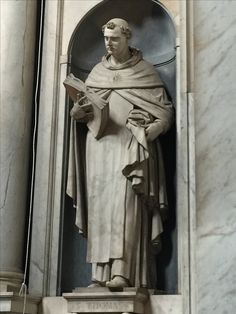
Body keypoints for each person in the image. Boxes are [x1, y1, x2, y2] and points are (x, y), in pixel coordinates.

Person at [66, 18, 174, 288]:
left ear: (128, 38)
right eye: (106, 39)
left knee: (126, 207)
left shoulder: (145, 72)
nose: (109, 44)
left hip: (130, 148)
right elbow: (82, 110)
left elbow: (165, 113)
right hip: (98, 148)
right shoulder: (96, 74)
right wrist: (76, 114)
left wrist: (153, 130)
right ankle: (100, 274)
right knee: (100, 208)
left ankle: (124, 271)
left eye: (114, 39)